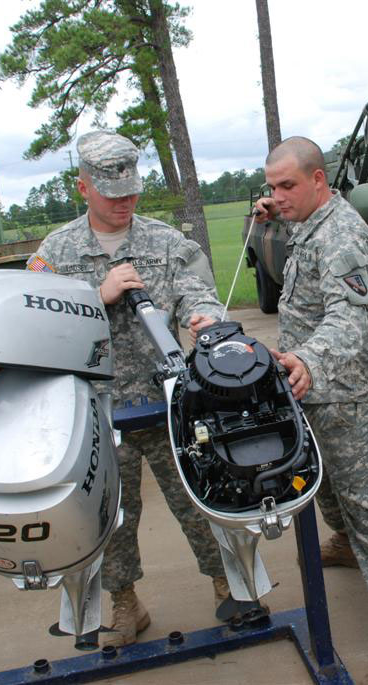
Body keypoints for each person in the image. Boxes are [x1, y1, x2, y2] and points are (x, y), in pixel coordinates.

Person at [27, 131, 229, 647]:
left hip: (167, 403)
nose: (125, 203)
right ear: (83, 188)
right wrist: (98, 296)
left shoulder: (166, 241)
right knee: (111, 515)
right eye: (112, 195)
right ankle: (125, 604)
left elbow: (198, 293)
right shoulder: (55, 252)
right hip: (99, 411)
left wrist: (205, 319)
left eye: (132, 193)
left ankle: (229, 584)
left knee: (200, 499)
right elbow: (36, 328)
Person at [253, 136, 368, 685]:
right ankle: (348, 544)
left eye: (287, 186)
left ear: (318, 180)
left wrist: (309, 358)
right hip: (312, 390)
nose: (277, 196)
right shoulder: (307, 223)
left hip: (347, 393)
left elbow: (348, 320)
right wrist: (271, 216)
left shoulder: (342, 237)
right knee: (322, 484)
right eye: (271, 187)